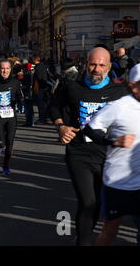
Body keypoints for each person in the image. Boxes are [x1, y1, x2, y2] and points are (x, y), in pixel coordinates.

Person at [49, 47, 129, 246]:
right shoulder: (72, 87)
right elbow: (53, 106)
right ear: (85, 64)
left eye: (102, 65)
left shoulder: (120, 91)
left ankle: (83, 235)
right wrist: (60, 126)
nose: (97, 69)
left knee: (98, 204)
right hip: (80, 153)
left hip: (109, 156)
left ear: (109, 67)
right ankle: (83, 242)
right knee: (88, 202)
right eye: (93, 64)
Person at [81, 64, 140, 245]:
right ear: (133, 85)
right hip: (117, 183)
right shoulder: (119, 106)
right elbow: (90, 130)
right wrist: (114, 142)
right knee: (111, 230)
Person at [0, 60, 23, 174]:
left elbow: (19, 96)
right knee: (2, 143)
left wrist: (20, 101)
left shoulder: (15, 83)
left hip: (11, 116)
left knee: (10, 142)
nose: (5, 71)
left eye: (7, 68)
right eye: (2, 68)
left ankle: (6, 166)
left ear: (10, 69)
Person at [32, 56, 49, 124]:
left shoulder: (37, 67)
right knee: (43, 104)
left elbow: (39, 78)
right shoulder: (44, 66)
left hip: (39, 88)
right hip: (44, 87)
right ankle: (44, 118)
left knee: (40, 105)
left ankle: (42, 119)